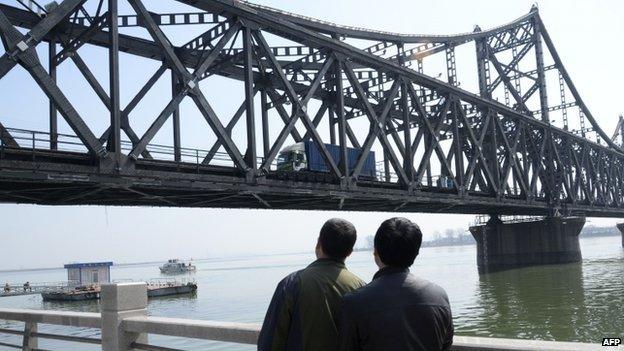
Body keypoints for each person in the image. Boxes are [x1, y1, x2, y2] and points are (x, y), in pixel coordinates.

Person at [339, 217, 454, 351]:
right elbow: (446, 343)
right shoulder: (439, 295)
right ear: (416, 253)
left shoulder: (354, 302)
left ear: (375, 251)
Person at [258, 218, 365, 351]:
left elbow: (270, 342)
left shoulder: (291, 284)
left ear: (318, 243)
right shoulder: (361, 287)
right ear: (350, 252)